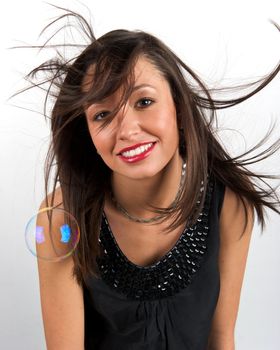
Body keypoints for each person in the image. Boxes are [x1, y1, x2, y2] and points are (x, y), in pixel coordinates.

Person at [19, 7, 280, 350]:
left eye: (144, 101)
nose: (127, 130)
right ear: (88, 133)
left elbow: (221, 339)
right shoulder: (58, 217)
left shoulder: (230, 206)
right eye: (102, 114)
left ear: (180, 110)